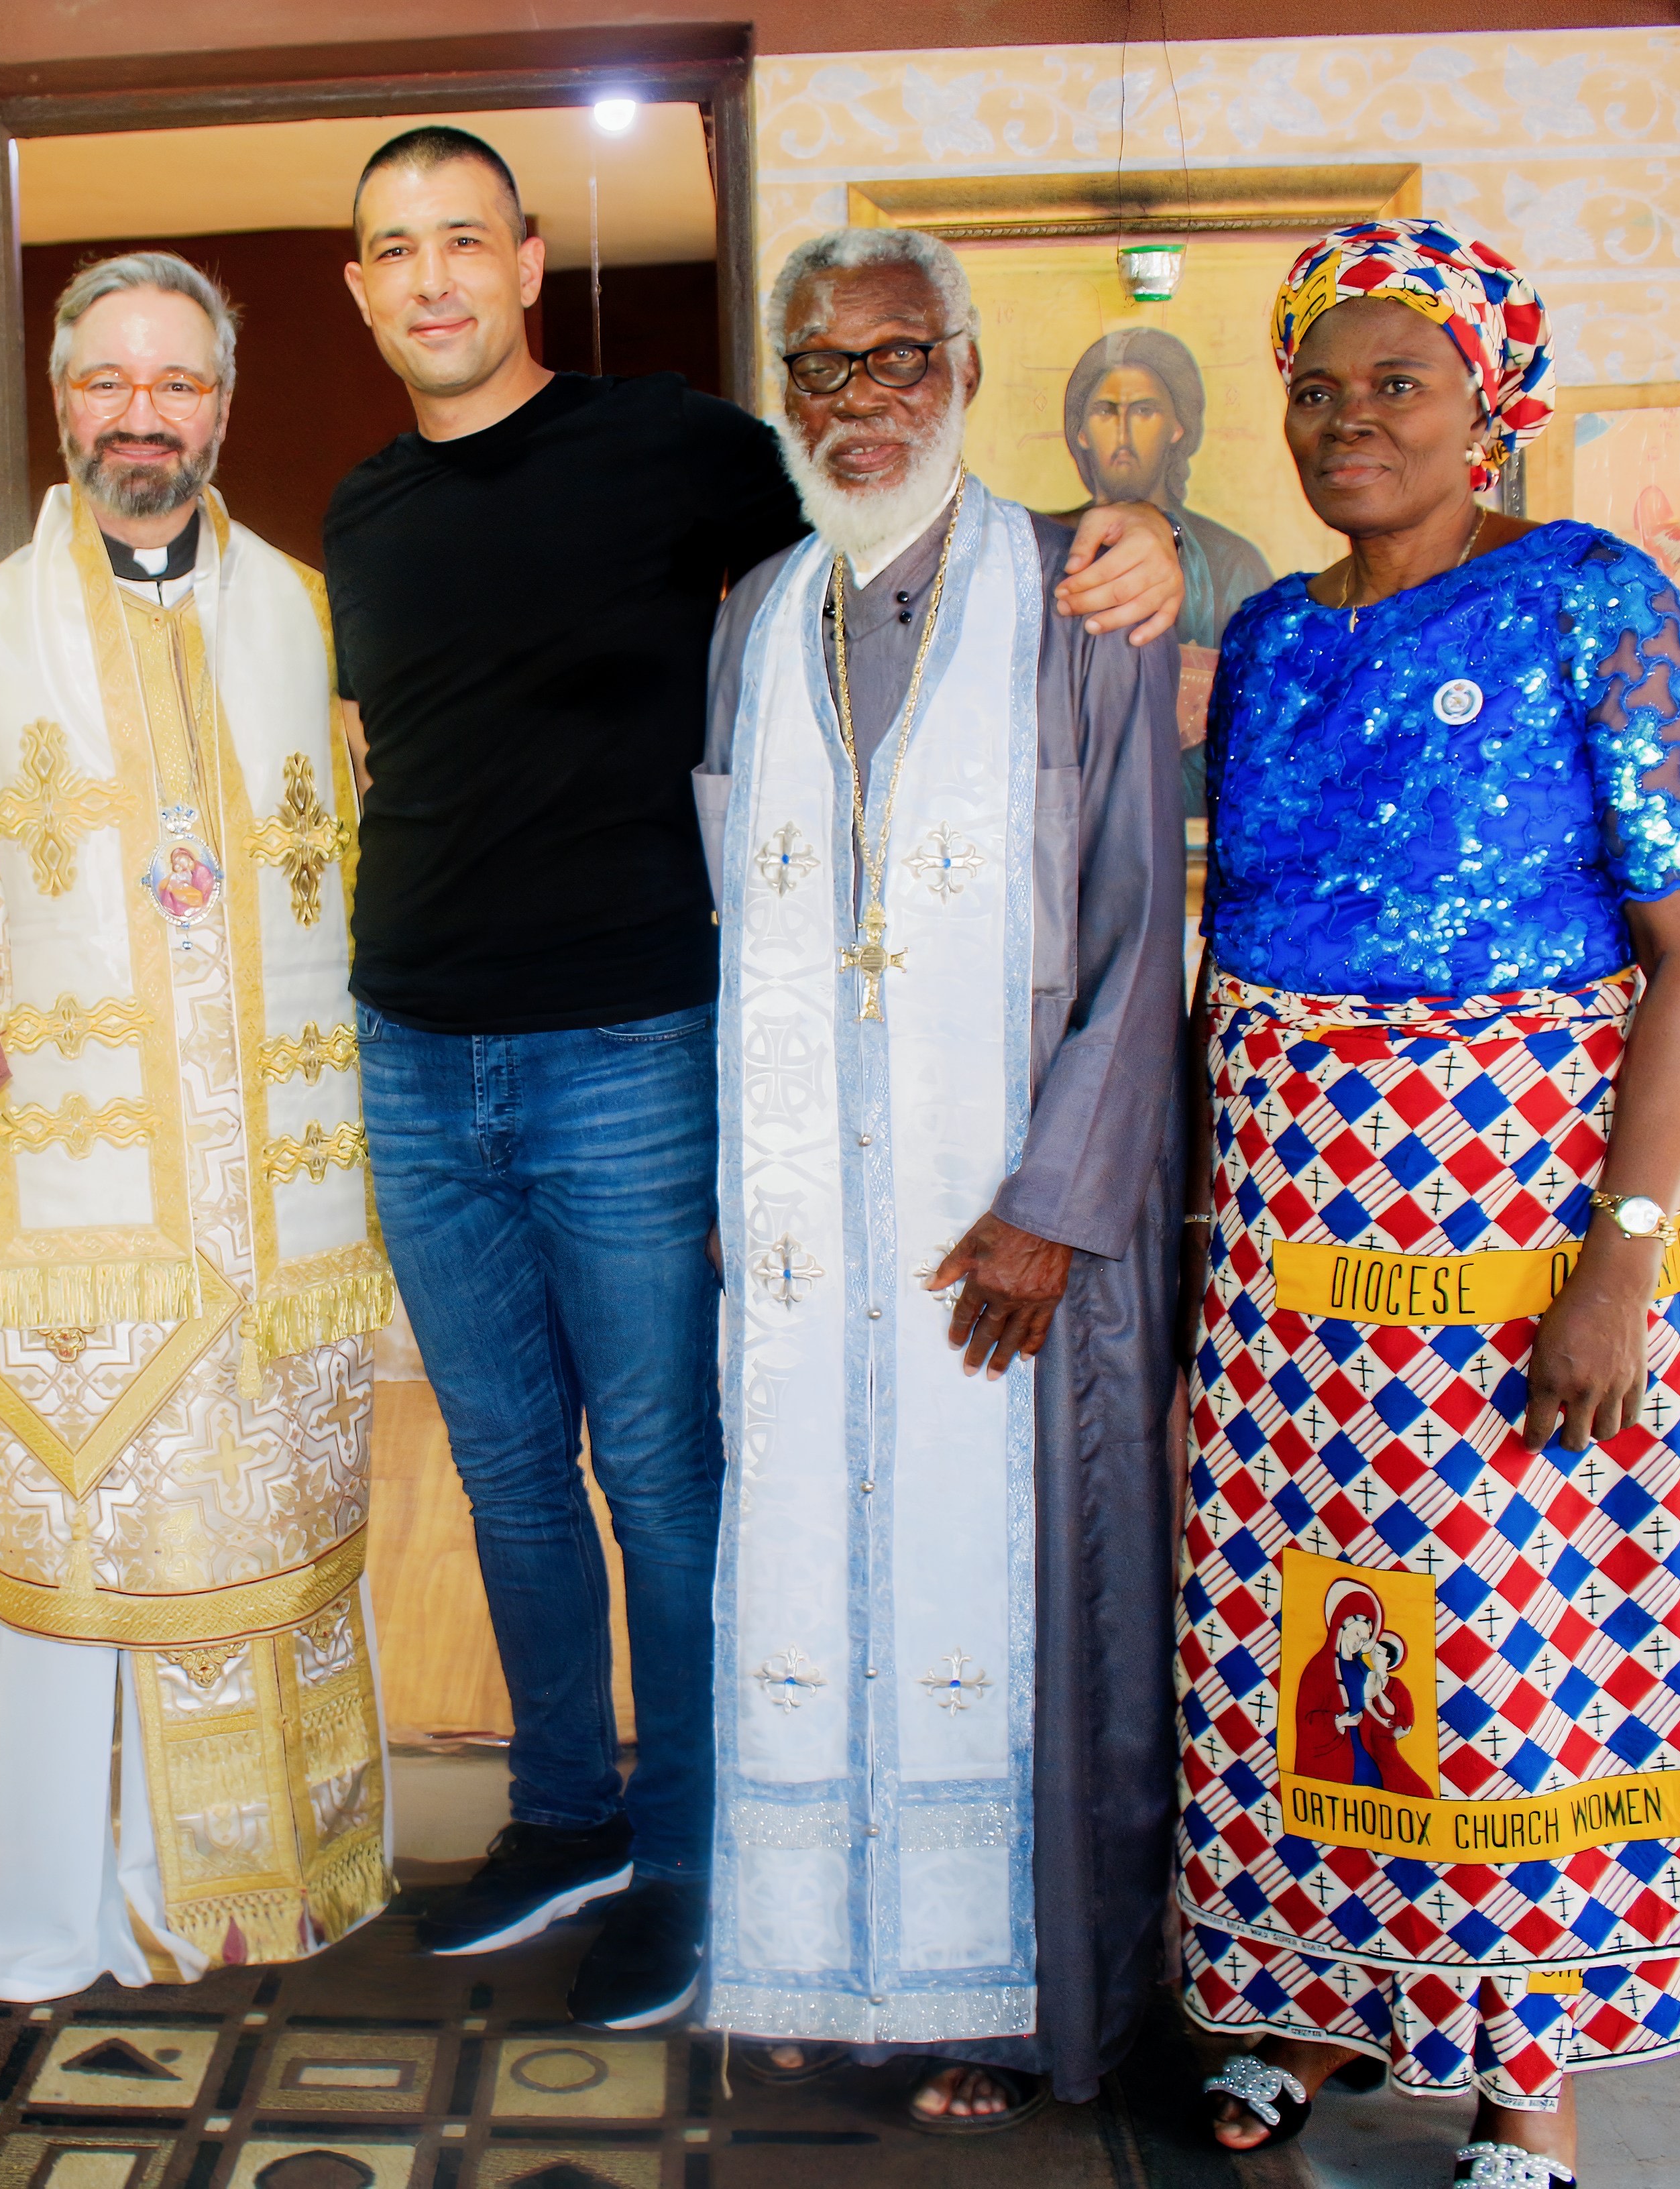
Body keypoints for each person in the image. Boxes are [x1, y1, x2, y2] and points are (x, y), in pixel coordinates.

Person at [321, 123, 1187, 2031]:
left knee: (659, 1473)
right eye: (394, 247)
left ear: (525, 260)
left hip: (625, 1047)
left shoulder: (674, 448)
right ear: (362, 284)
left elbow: (913, 495)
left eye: (464, 237)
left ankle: (694, 1860)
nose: (433, 276)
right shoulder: (361, 511)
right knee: (505, 1472)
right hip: (418, 1050)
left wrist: (1134, 536)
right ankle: (564, 1819)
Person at [1176, 219, 1680, 2189]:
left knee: (1505, 1635)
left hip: (1511, 1223)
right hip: (1283, 1242)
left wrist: (1620, 1270)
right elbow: (1233, 947)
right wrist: (1198, 1233)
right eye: (1316, 388)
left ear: (1485, 402)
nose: (1347, 420)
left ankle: (1527, 2084)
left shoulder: (1594, 600)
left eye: (1396, 383)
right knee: (1296, 1626)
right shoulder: (1271, 637)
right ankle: (1310, 2002)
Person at [0, 251, 394, 2001]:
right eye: (107, 383)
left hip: (284, 1217)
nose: (143, 416)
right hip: (81, 1233)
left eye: (178, 383)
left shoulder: (316, 623)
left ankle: (275, 1890)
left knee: (273, 1543)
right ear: (61, 401)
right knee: (80, 1569)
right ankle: (62, 1912)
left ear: (223, 405)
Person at [693, 226, 1187, 2131]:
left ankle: (1012, 2001)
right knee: (809, 1577)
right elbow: (743, 927)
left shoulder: (1079, 600)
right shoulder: (753, 616)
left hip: (1013, 1218)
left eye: (898, 358)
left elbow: (1138, 931)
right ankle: (818, 1961)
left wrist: (1056, 1204)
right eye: (819, 366)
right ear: (781, 393)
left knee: (1020, 1603)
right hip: (815, 1234)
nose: (860, 400)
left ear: (964, 371)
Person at [1056, 327, 1277, 814]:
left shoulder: (1231, 561)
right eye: (1105, 412)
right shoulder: (1041, 546)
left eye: (1144, 412)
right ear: (1081, 431)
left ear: (1178, 427)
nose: (1123, 434)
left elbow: (1265, 722)